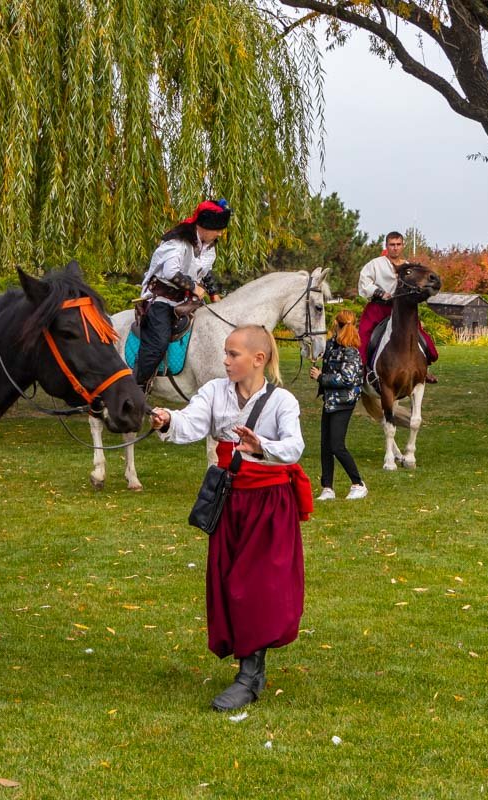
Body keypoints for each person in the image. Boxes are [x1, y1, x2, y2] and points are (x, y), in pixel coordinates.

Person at [150, 325, 313, 711]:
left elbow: (294, 446)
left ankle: (250, 675)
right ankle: (247, 666)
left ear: (259, 359)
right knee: (227, 580)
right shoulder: (214, 392)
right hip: (229, 501)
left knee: (255, 585)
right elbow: (190, 423)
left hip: (269, 504)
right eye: (225, 353)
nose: (225, 360)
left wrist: (262, 445)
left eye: (233, 354)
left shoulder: (283, 401)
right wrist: (167, 420)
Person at [133, 199, 229, 388]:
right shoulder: (177, 242)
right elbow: (170, 273)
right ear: (204, 226)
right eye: (217, 228)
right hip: (159, 298)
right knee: (158, 343)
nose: (220, 233)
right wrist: (194, 287)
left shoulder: (209, 246)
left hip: (184, 300)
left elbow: (204, 271)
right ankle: (135, 386)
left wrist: (215, 296)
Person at [357, 231, 439, 382]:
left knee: (421, 337)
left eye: (398, 244)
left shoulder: (410, 268)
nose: (395, 248)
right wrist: (380, 292)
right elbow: (364, 284)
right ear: (387, 246)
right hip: (378, 308)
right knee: (363, 337)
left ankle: (423, 368)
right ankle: (361, 372)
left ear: (403, 246)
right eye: (392, 245)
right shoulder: (375, 264)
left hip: (402, 310)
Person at [310, 310, 367, 501]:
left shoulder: (350, 351)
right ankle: (327, 487)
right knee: (326, 445)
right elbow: (324, 354)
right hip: (330, 401)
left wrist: (321, 377)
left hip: (344, 402)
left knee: (336, 445)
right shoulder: (332, 346)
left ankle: (358, 483)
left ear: (337, 324)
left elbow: (347, 379)